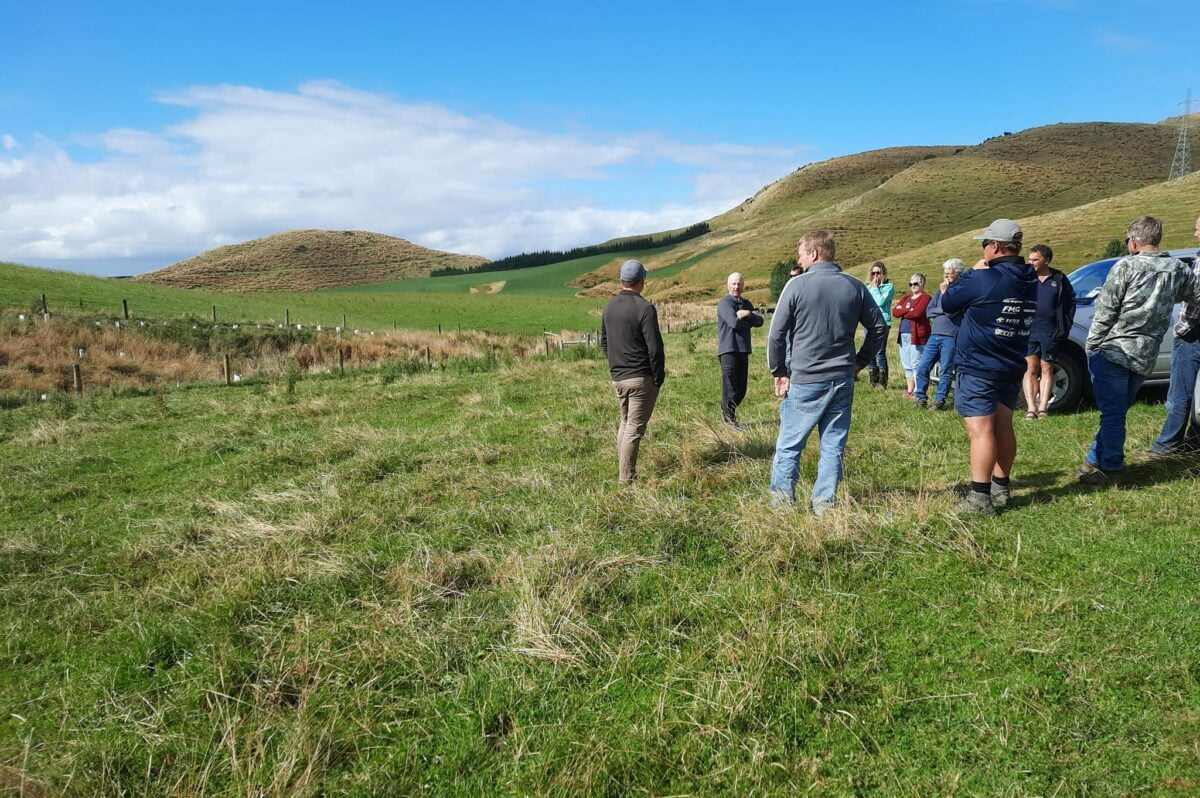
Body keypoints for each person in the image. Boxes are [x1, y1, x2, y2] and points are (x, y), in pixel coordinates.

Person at [766, 230, 888, 515]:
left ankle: (783, 507)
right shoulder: (855, 286)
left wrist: (779, 370)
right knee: (833, 446)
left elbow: (775, 335)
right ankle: (824, 506)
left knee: (789, 445)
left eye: (801, 253)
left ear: (814, 254)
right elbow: (880, 327)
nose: (798, 258)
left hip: (806, 378)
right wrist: (860, 362)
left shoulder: (796, 286)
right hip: (843, 377)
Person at [1081, 216, 1200, 483]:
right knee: (1118, 409)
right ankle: (1093, 459)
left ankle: (1110, 468)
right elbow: (1197, 296)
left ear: (1134, 241)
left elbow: (1106, 310)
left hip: (1115, 348)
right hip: (1146, 353)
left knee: (1113, 412)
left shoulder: (1125, 267)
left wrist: (1092, 347)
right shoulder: (1177, 269)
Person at [941, 219, 1037, 514]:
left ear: (994, 246)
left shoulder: (984, 278)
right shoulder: (1029, 278)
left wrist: (973, 271)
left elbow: (949, 302)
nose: (984, 249)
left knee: (980, 429)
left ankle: (979, 497)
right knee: (1003, 424)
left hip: (979, 363)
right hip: (1010, 361)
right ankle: (1001, 487)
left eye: (985, 244)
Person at [600, 259, 665, 484]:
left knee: (625, 423)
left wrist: (615, 365)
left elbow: (604, 342)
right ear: (642, 282)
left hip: (618, 377)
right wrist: (658, 377)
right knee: (634, 429)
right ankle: (626, 479)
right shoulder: (645, 308)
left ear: (621, 280)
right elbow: (655, 347)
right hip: (641, 377)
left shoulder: (609, 307)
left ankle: (624, 471)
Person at [1150, 215, 1200, 455]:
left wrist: (1182, 329)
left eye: (1198, 229)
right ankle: (1194, 440)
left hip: (1193, 333)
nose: (1195, 234)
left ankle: (1167, 444)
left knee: (1181, 391)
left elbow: (1195, 302)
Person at [1021, 244, 1076, 419]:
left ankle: (1043, 408)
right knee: (1031, 367)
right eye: (1030, 260)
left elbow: (1070, 303)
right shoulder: (1026, 279)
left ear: (1046, 260)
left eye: (1035, 259)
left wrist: (1064, 326)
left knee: (1047, 367)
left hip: (1050, 331)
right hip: (1029, 331)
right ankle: (1031, 408)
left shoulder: (1059, 278)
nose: (1031, 263)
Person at [912, 259, 965, 410]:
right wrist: (942, 304)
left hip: (951, 335)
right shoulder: (939, 290)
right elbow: (929, 311)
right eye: (945, 273)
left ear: (958, 274)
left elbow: (951, 309)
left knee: (945, 370)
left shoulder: (960, 290)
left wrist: (944, 295)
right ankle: (920, 397)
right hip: (934, 335)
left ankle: (940, 401)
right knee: (923, 366)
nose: (947, 276)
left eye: (950, 273)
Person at [716, 272, 763, 426]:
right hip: (728, 351)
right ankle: (729, 421)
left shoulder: (746, 304)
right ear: (728, 285)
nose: (737, 286)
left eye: (739, 284)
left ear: (743, 286)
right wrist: (750, 320)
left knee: (741, 389)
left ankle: (729, 415)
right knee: (730, 388)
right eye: (734, 283)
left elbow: (760, 321)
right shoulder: (724, 303)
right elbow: (734, 323)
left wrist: (747, 313)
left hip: (743, 350)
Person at [892, 273, 932, 398]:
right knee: (907, 364)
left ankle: (918, 391)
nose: (913, 286)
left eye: (916, 283)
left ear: (922, 284)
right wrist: (908, 309)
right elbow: (895, 312)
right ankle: (910, 391)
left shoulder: (926, 297)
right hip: (903, 336)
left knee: (916, 364)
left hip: (917, 336)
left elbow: (918, 313)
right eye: (911, 284)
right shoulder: (906, 298)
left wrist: (904, 310)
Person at [865, 261, 894, 389]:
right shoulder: (867, 288)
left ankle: (882, 382)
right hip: (869, 322)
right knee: (869, 351)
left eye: (878, 273)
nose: (876, 275)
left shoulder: (889, 287)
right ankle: (873, 381)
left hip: (882, 322)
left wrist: (876, 288)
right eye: (873, 273)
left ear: (883, 273)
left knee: (880, 352)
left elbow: (880, 301)